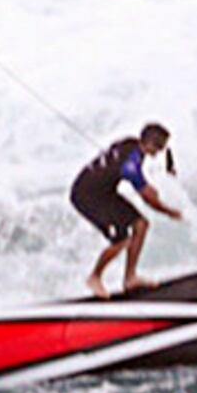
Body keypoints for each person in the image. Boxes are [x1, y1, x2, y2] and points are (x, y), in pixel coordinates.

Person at [73, 122, 185, 296]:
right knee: (121, 239)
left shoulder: (131, 143)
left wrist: (151, 182)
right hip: (86, 196)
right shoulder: (130, 165)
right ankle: (94, 277)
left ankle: (130, 278)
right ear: (149, 144)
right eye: (160, 148)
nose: (159, 152)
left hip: (104, 192)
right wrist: (170, 212)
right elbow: (148, 199)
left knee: (141, 224)